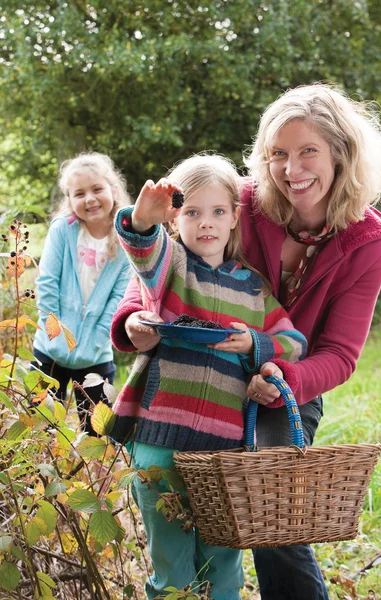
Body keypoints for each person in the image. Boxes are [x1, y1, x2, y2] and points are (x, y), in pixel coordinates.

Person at [110, 84, 381, 599]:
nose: (292, 170)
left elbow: (340, 353)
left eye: (308, 150)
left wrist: (275, 370)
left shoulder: (366, 241)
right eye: (278, 154)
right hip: (192, 378)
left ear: (342, 153)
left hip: (285, 380)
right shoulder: (241, 202)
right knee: (179, 514)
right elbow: (169, 260)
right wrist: (135, 312)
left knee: (269, 503)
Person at [110, 153, 308, 600]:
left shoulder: (254, 288)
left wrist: (258, 345)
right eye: (193, 212)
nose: (206, 223)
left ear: (235, 218)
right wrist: (142, 222)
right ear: (176, 218)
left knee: (222, 567)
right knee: (171, 570)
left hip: (224, 453)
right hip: (161, 445)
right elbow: (144, 251)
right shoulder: (171, 267)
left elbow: (294, 341)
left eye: (218, 212)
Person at [32, 152, 131, 436]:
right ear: (69, 199)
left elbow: (119, 299)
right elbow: (48, 285)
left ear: (113, 189)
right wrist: (55, 335)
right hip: (48, 351)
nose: (90, 198)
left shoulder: (125, 240)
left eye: (97, 189)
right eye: (79, 193)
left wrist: (93, 341)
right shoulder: (63, 231)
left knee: (96, 435)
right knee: (41, 431)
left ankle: (91, 480)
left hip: (95, 355)